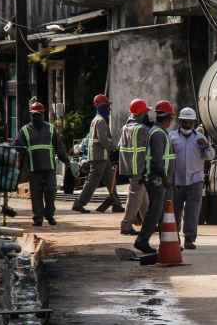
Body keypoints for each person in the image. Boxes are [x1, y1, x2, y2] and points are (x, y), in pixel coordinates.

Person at [12, 102, 70, 227]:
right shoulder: (24, 130)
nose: (36, 117)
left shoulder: (50, 128)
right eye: (34, 115)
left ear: (43, 115)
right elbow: (16, 146)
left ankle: (49, 215)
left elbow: (59, 146)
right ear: (30, 115)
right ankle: (38, 218)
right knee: (36, 193)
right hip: (34, 167)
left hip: (49, 167)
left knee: (51, 190)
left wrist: (65, 160)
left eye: (39, 115)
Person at [134, 100, 177, 254]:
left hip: (160, 179)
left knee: (163, 213)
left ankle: (168, 242)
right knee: (155, 211)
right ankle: (142, 240)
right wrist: (165, 179)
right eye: (171, 117)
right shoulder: (158, 133)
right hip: (157, 180)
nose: (172, 120)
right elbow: (158, 160)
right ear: (168, 117)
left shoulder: (158, 131)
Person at [169, 107, 214, 249]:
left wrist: (206, 146)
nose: (187, 125)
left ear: (194, 123)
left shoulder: (199, 138)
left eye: (190, 122)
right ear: (180, 121)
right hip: (177, 180)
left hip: (195, 180)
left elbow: (211, 156)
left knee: (192, 211)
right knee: (174, 211)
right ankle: (173, 238)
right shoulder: (172, 137)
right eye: (185, 122)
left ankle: (189, 238)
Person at [72, 94, 123, 213]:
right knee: (93, 181)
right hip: (99, 156)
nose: (109, 109)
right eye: (107, 107)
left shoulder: (96, 120)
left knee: (111, 180)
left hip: (102, 156)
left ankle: (116, 204)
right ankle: (79, 203)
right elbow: (103, 140)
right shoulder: (100, 121)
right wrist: (113, 149)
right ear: (101, 107)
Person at [118, 98, 153, 236]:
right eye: (145, 112)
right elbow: (154, 139)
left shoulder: (125, 127)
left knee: (142, 196)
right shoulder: (143, 129)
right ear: (141, 114)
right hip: (140, 165)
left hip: (130, 166)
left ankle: (148, 223)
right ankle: (126, 225)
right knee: (135, 196)